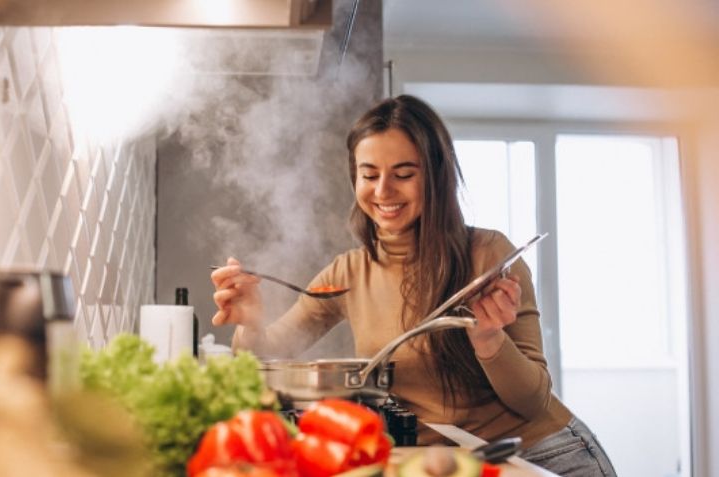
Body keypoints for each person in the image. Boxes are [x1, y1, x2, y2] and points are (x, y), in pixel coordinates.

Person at [210, 95, 617, 477]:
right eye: (369, 175)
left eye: (404, 174)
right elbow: (262, 360)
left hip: (539, 453)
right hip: (449, 461)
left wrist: (490, 341)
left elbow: (534, 401)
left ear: (436, 177)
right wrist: (249, 322)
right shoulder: (348, 273)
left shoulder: (488, 255)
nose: (383, 191)